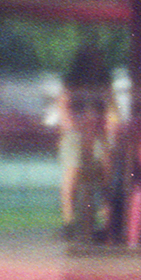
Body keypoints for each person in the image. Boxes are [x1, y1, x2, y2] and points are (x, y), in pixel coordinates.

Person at [56, 45, 116, 241]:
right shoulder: (72, 82)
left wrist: (110, 128)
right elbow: (63, 107)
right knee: (73, 172)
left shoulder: (104, 82)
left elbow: (112, 108)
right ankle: (69, 222)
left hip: (98, 133)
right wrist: (74, 127)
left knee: (106, 172)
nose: (96, 63)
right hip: (75, 133)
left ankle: (104, 221)